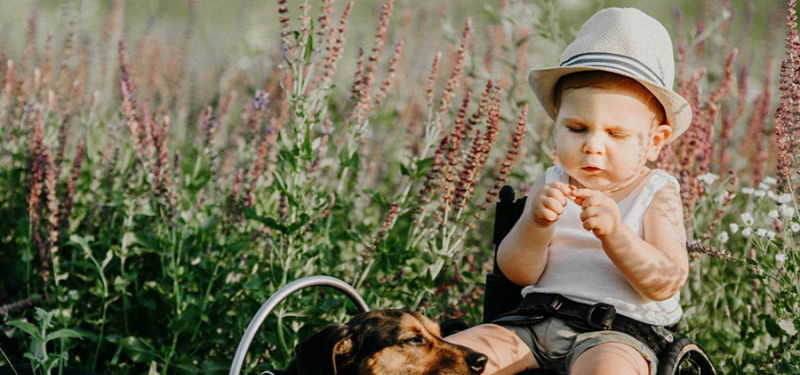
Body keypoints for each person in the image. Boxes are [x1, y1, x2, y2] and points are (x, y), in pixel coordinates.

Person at [446, 7, 692, 375]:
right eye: (577, 128)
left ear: (655, 142)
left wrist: (616, 234)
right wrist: (535, 223)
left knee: (607, 370)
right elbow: (517, 273)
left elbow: (665, 281)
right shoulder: (553, 181)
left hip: (617, 332)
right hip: (530, 320)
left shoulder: (655, 192)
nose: (593, 145)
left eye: (615, 134)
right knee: (450, 358)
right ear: (556, 126)